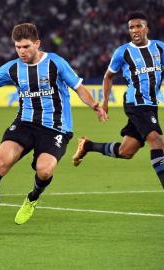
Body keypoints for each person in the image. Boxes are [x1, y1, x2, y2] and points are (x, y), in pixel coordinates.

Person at [0, 23, 108, 233]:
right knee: (1, 161)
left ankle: (33, 198)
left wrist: (94, 105)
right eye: (18, 47)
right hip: (25, 123)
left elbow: (78, 87)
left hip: (56, 128)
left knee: (45, 170)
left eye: (26, 47)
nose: (22, 52)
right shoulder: (13, 68)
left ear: (37, 44)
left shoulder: (56, 63)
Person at [72, 11, 164, 189]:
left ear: (147, 28)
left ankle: (88, 146)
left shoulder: (160, 48)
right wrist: (105, 102)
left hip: (151, 104)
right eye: (131, 27)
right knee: (157, 140)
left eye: (139, 26)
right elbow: (108, 77)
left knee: (126, 151)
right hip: (136, 103)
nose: (135, 30)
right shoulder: (123, 52)